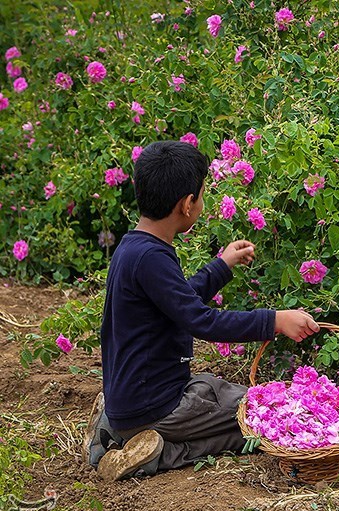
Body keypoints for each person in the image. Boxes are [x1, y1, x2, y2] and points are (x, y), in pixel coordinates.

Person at [82, 139, 320, 481]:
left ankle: (118, 432)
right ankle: (151, 452)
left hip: (138, 397)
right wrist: (275, 320)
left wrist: (221, 266)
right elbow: (200, 320)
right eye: (203, 194)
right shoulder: (151, 257)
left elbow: (178, 303)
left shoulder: (134, 247)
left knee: (217, 390)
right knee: (262, 417)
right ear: (187, 204)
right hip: (158, 406)